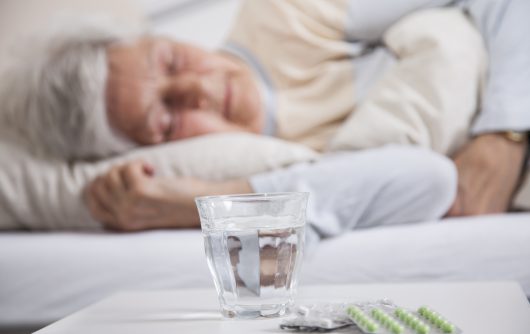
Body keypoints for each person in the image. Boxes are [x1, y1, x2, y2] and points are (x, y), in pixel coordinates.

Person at [3, 0, 529, 236]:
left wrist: (503, 134)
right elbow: (422, 177)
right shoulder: (270, 164)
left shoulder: (290, 13)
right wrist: (204, 206)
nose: (200, 88)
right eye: (165, 121)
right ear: (153, 152)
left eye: (170, 61)